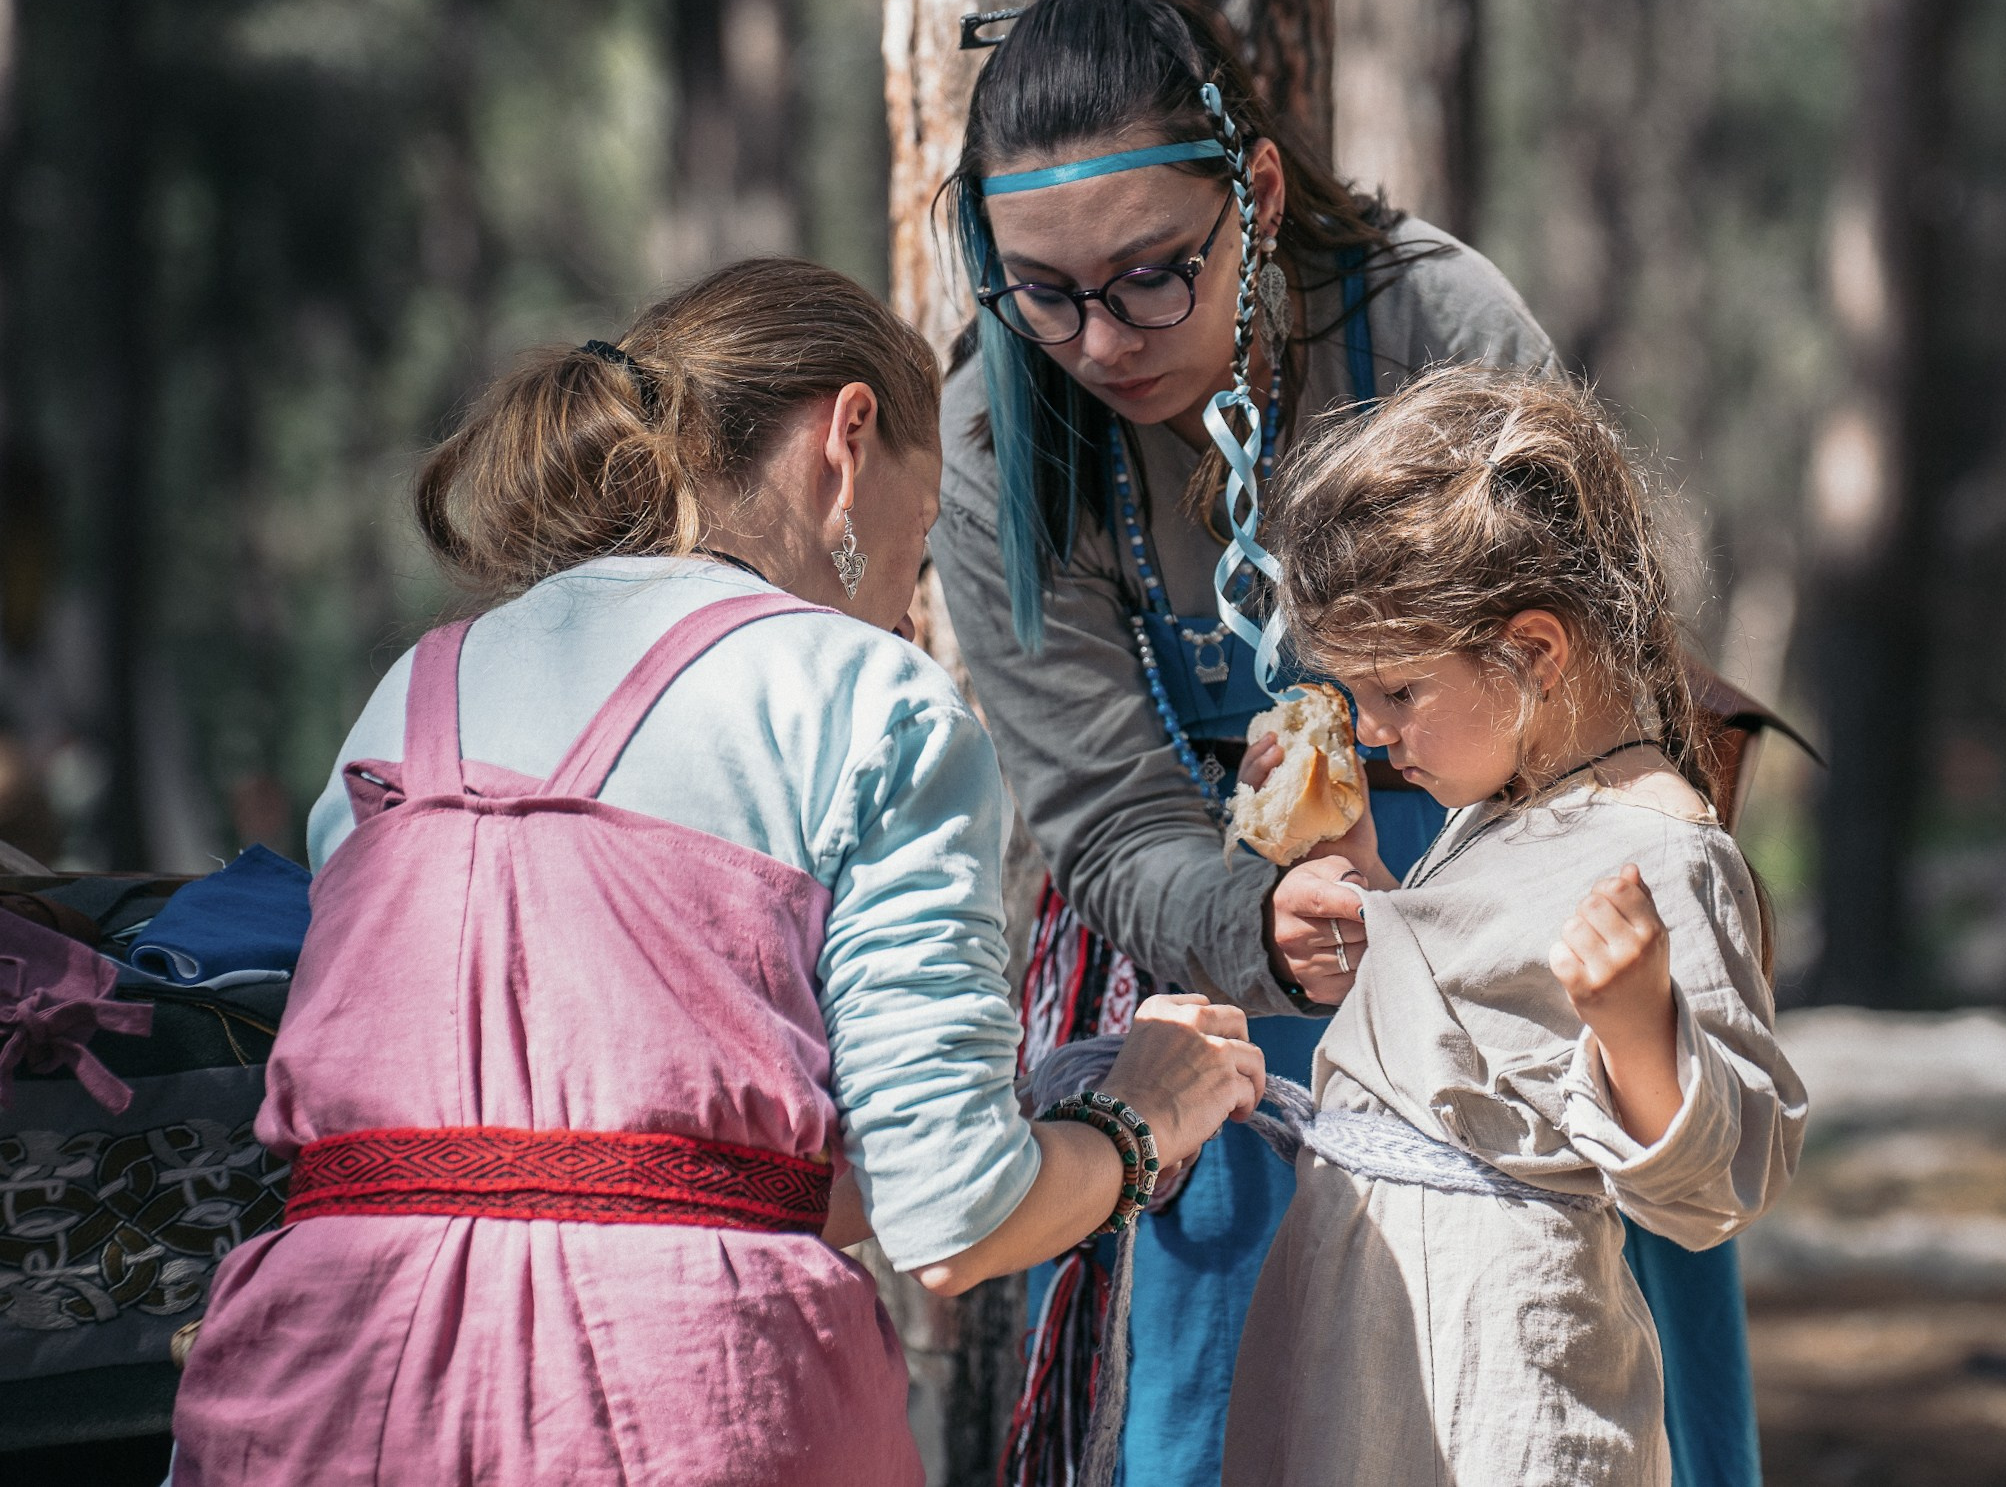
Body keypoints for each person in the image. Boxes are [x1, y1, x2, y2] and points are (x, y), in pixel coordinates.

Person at [169, 258, 1265, 1486]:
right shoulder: (865, 694)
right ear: (849, 436)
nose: (911, 600)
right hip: (681, 1407)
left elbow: (614, 1171)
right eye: (921, 531)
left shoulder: (407, 697)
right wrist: (1141, 1117)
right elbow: (956, 1221)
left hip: (321, 1388)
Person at [929, 0, 1768, 1486]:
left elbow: (1591, 672)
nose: (1100, 342)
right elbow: (1108, 814)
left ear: (1254, 193)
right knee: (1250, 1394)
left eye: (1150, 276)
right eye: (1040, 290)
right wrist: (1256, 921)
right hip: (1226, 975)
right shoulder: (997, 439)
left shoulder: (1434, 319)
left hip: (1524, 959)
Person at [1224, 366, 1807, 1486]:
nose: (1374, 733)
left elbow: (1717, 1187)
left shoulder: (1662, 851)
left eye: (1399, 692)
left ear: (1535, 651)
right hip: (1368, 1321)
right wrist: (1356, 873)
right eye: (1357, 698)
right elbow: (1463, 1025)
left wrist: (1640, 1029)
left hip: (1494, 1358)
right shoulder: (1506, 800)